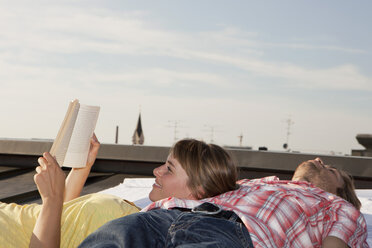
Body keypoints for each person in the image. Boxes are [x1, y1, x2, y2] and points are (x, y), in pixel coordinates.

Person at [78, 157, 368, 248]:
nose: (317, 160)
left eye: (329, 168)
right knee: (111, 238)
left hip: (229, 231)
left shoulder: (338, 207)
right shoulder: (261, 182)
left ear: (342, 188)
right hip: (164, 216)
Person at [27, 138, 239, 248]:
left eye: (169, 169)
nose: (156, 171)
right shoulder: (144, 210)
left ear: (198, 190)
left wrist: (51, 199)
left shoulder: (145, 229)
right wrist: (82, 169)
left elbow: (57, 222)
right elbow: (66, 217)